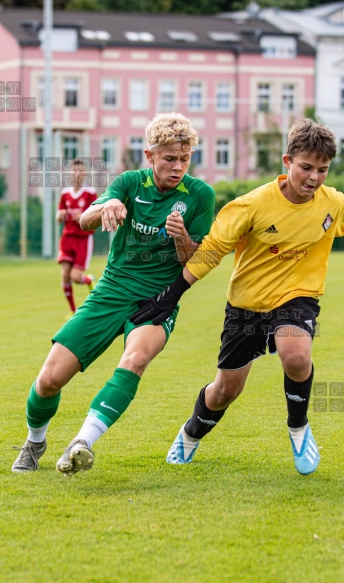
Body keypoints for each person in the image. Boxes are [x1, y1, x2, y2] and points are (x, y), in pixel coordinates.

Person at [131, 118, 344, 475]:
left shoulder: (332, 203)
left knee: (295, 353)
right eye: (306, 168)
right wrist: (171, 295)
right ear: (287, 162)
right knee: (226, 389)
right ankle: (191, 433)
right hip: (246, 304)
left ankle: (298, 428)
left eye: (322, 170)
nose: (313, 178)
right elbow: (210, 252)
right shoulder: (250, 206)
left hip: (298, 297)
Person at [11, 112, 215, 475]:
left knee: (135, 360)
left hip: (158, 299)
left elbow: (195, 261)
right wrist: (107, 206)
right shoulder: (129, 183)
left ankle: (81, 442)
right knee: (48, 380)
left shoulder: (200, 195)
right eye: (170, 158)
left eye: (185, 158)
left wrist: (182, 236)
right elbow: (86, 220)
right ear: (150, 156)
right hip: (111, 290)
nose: (178, 166)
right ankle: (35, 441)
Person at [56, 159, 97, 315]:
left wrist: (84, 216)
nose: (77, 173)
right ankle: (73, 311)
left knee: (75, 277)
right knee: (65, 274)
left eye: (80, 170)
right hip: (67, 237)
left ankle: (88, 279)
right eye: (74, 170)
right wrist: (59, 215)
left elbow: (96, 215)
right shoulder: (65, 193)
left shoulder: (90, 193)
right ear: (70, 173)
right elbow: (59, 215)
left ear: (85, 173)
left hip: (83, 239)